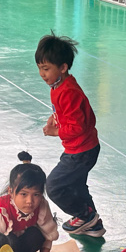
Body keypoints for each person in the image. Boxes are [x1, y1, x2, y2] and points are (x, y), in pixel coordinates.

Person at [38, 33, 105, 237]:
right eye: (39, 68)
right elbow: (67, 113)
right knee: (77, 186)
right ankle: (93, 224)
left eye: (46, 69)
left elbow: (78, 126)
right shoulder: (58, 85)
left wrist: (56, 131)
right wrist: (55, 117)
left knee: (54, 186)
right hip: (81, 149)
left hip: (81, 152)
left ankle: (85, 215)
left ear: (63, 67)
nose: (42, 74)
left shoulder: (68, 91)